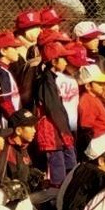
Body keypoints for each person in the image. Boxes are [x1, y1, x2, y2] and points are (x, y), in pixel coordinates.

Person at [35, 41, 79, 188]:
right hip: (52, 129)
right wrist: (64, 130)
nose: (66, 62)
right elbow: (52, 108)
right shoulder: (46, 80)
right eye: (63, 59)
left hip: (59, 127)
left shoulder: (52, 78)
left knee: (70, 162)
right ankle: (56, 197)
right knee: (58, 166)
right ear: (54, 61)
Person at [77, 63, 105, 154]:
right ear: (88, 86)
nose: (104, 87)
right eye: (99, 84)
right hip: (98, 146)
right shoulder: (87, 100)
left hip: (104, 141)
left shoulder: (95, 98)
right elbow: (86, 129)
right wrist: (92, 151)